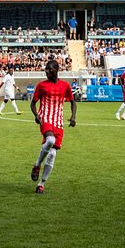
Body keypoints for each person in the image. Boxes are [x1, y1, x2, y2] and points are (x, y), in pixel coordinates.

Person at [30, 60, 76, 195]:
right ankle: (37, 165)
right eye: (46, 70)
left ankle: (41, 184)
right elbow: (33, 103)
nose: (47, 72)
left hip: (58, 122)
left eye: (49, 69)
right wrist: (36, 116)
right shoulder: (41, 85)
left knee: (52, 155)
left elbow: (73, 102)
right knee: (50, 141)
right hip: (46, 119)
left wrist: (73, 117)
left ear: (56, 69)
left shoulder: (65, 86)